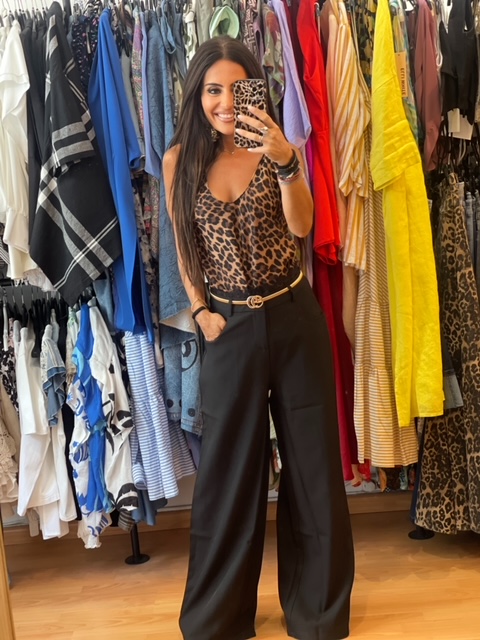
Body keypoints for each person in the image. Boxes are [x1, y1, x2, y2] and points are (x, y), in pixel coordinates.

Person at [163, 36, 355, 640]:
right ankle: (217, 620)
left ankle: (319, 615)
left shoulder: (277, 147)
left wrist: (288, 161)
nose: (224, 103)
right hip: (227, 328)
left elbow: (303, 226)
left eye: (235, 88)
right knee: (227, 475)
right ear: (196, 96)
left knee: (313, 468)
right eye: (212, 90)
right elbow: (184, 245)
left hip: (293, 317)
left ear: (255, 92)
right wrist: (199, 310)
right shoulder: (178, 162)